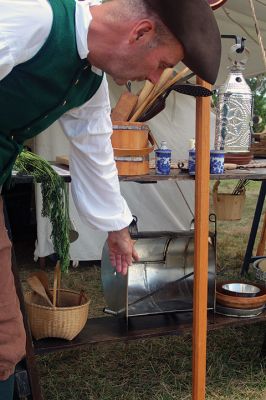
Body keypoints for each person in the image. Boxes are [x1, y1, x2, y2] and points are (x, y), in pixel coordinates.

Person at [0, 0, 221, 397]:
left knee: (4, 340)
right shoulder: (34, 19)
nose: (155, 78)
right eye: (161, 63)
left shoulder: (88, 83)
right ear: (139, 33)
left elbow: (94, 151)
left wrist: (116, 227)